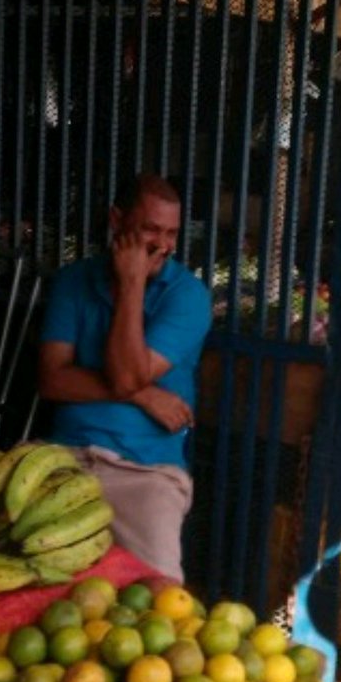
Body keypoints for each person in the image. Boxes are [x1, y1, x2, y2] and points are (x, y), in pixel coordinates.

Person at [38, 174, 212, 582]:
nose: (163, 244)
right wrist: (143, 395)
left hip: (147, 473)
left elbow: (128, 375)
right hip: (64, 456)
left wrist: (132, 282)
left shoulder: (187, 295)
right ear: (117, 220)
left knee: (159, 597)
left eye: (171, 233)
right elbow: (52, 381)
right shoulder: (73, 282)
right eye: (151, 229)